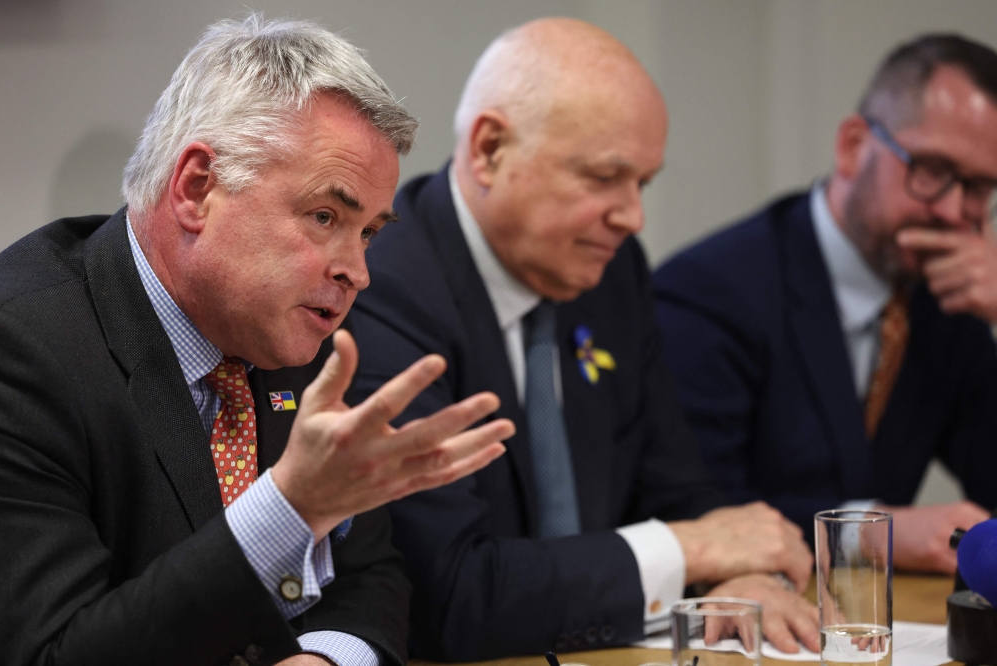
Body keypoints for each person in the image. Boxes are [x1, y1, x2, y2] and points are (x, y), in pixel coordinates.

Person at [0, 15, 515, 666]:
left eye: (369, 233)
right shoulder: (20, 348)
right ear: (196, 189)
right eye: (325, 217)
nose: (356, 271)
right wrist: (291, 508)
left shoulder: (303, 330)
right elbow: (52, 654)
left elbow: (371, 577)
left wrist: (327, 659)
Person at [349, 18, 817, 662]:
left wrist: (736, 574)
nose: (633, 216)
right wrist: (693, 551)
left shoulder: (609, 273)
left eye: (642, 184)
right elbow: (451, 596)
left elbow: (680, 488)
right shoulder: (387, 289)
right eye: (603, 177)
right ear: (488, 149)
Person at [654, 34, 997, 574]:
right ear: (853, 146)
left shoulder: (951, 299)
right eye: (933, 170)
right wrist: (870, 532)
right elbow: (694, 510)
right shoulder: (712, 290)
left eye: (980, 188)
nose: (956, 212)